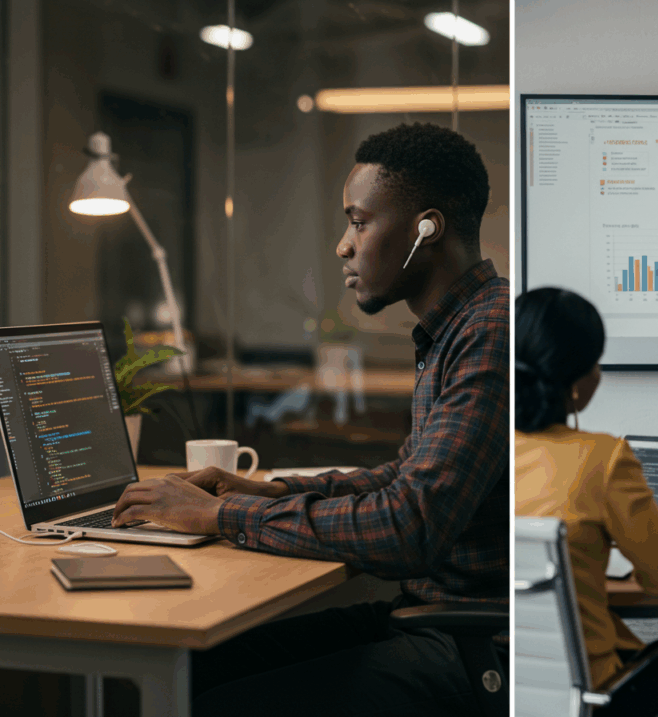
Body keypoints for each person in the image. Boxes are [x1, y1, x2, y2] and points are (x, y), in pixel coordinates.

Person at [111, 122, 509, 716]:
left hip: (474, 645)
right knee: (192, 672)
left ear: (427, 229)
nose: (344, 246)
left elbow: (408, 527)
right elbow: (400, 479)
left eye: (358, 221)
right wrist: (261, 491)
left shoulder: (489, 334)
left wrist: (222, 515)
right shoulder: (459, 327)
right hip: (432, 619)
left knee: (216, 702)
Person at [514, 287, 658, 717]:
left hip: (506, 681)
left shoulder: (485, 453)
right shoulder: (602, 458)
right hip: (589, 690)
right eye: (595, 362)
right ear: (577, 381)